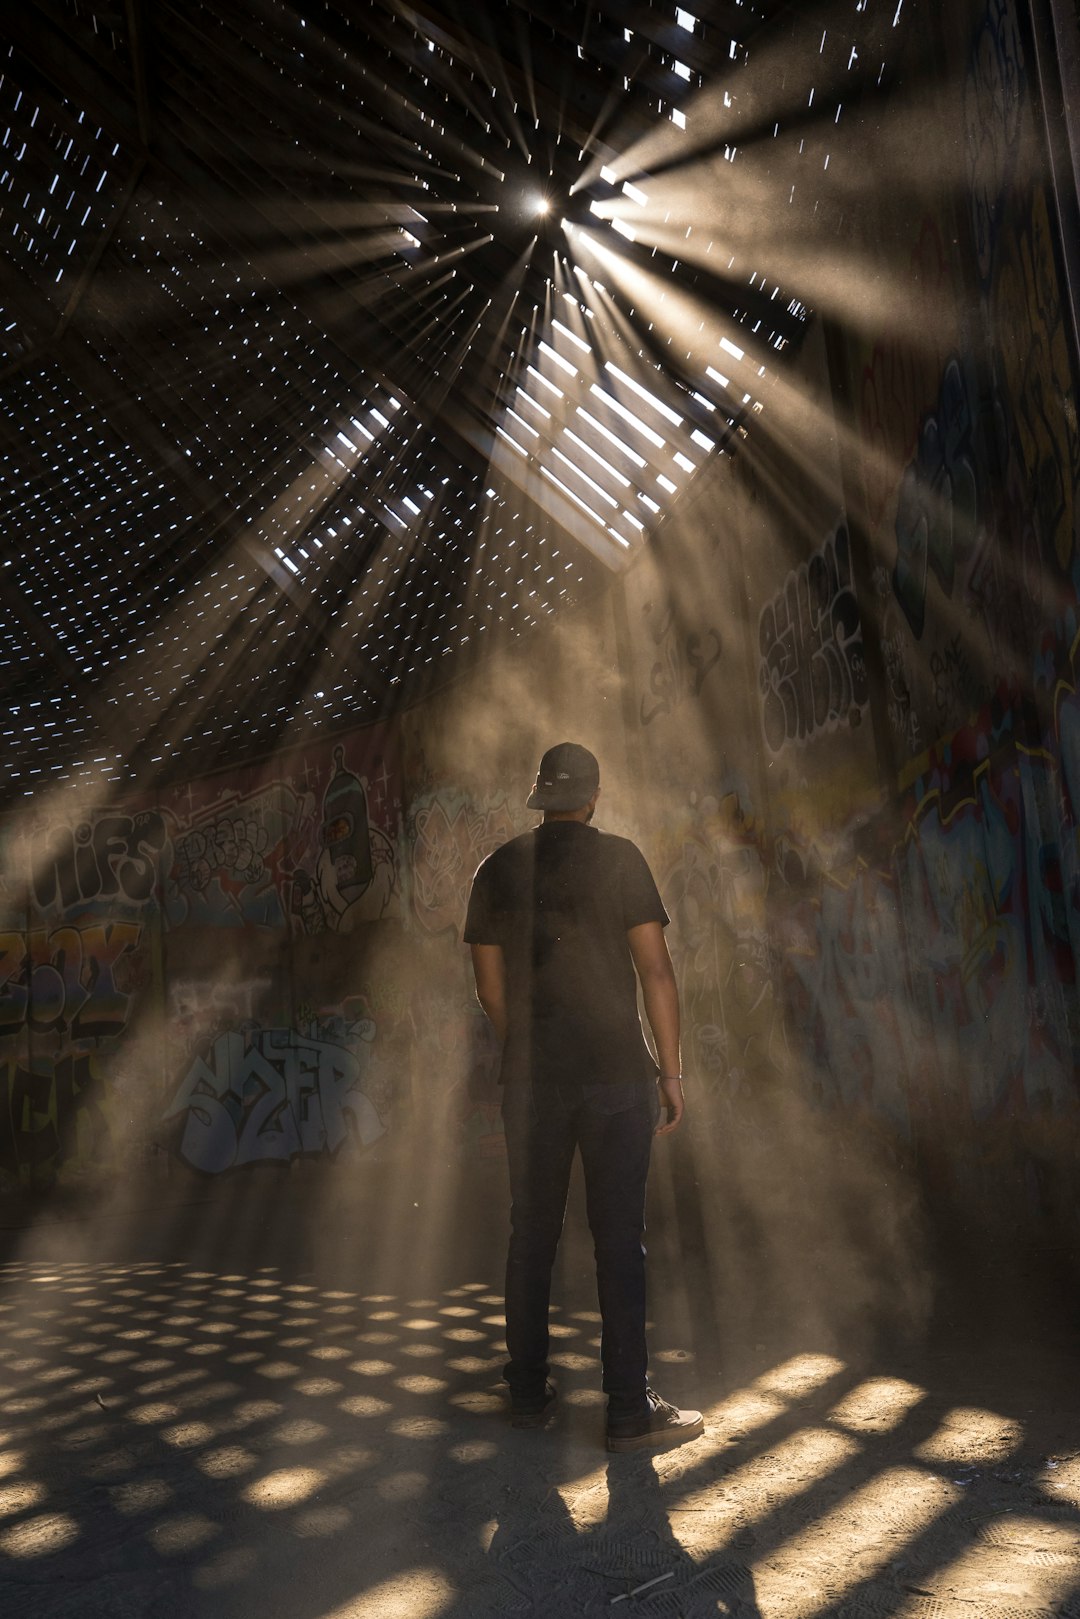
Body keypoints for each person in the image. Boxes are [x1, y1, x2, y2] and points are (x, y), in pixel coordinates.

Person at [464, 741, 704, 1453]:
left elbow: (489, 985)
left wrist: (526, 1045)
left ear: (539, 796)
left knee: (530, 1234)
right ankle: (629, 1408)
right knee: (618, 1242)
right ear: (593, 797)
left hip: (534, 1079)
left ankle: (529, 1393)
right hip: (617, 1076)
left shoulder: (497, 868)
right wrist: (670, 1068)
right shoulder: (622, 859)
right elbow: (656, 972)